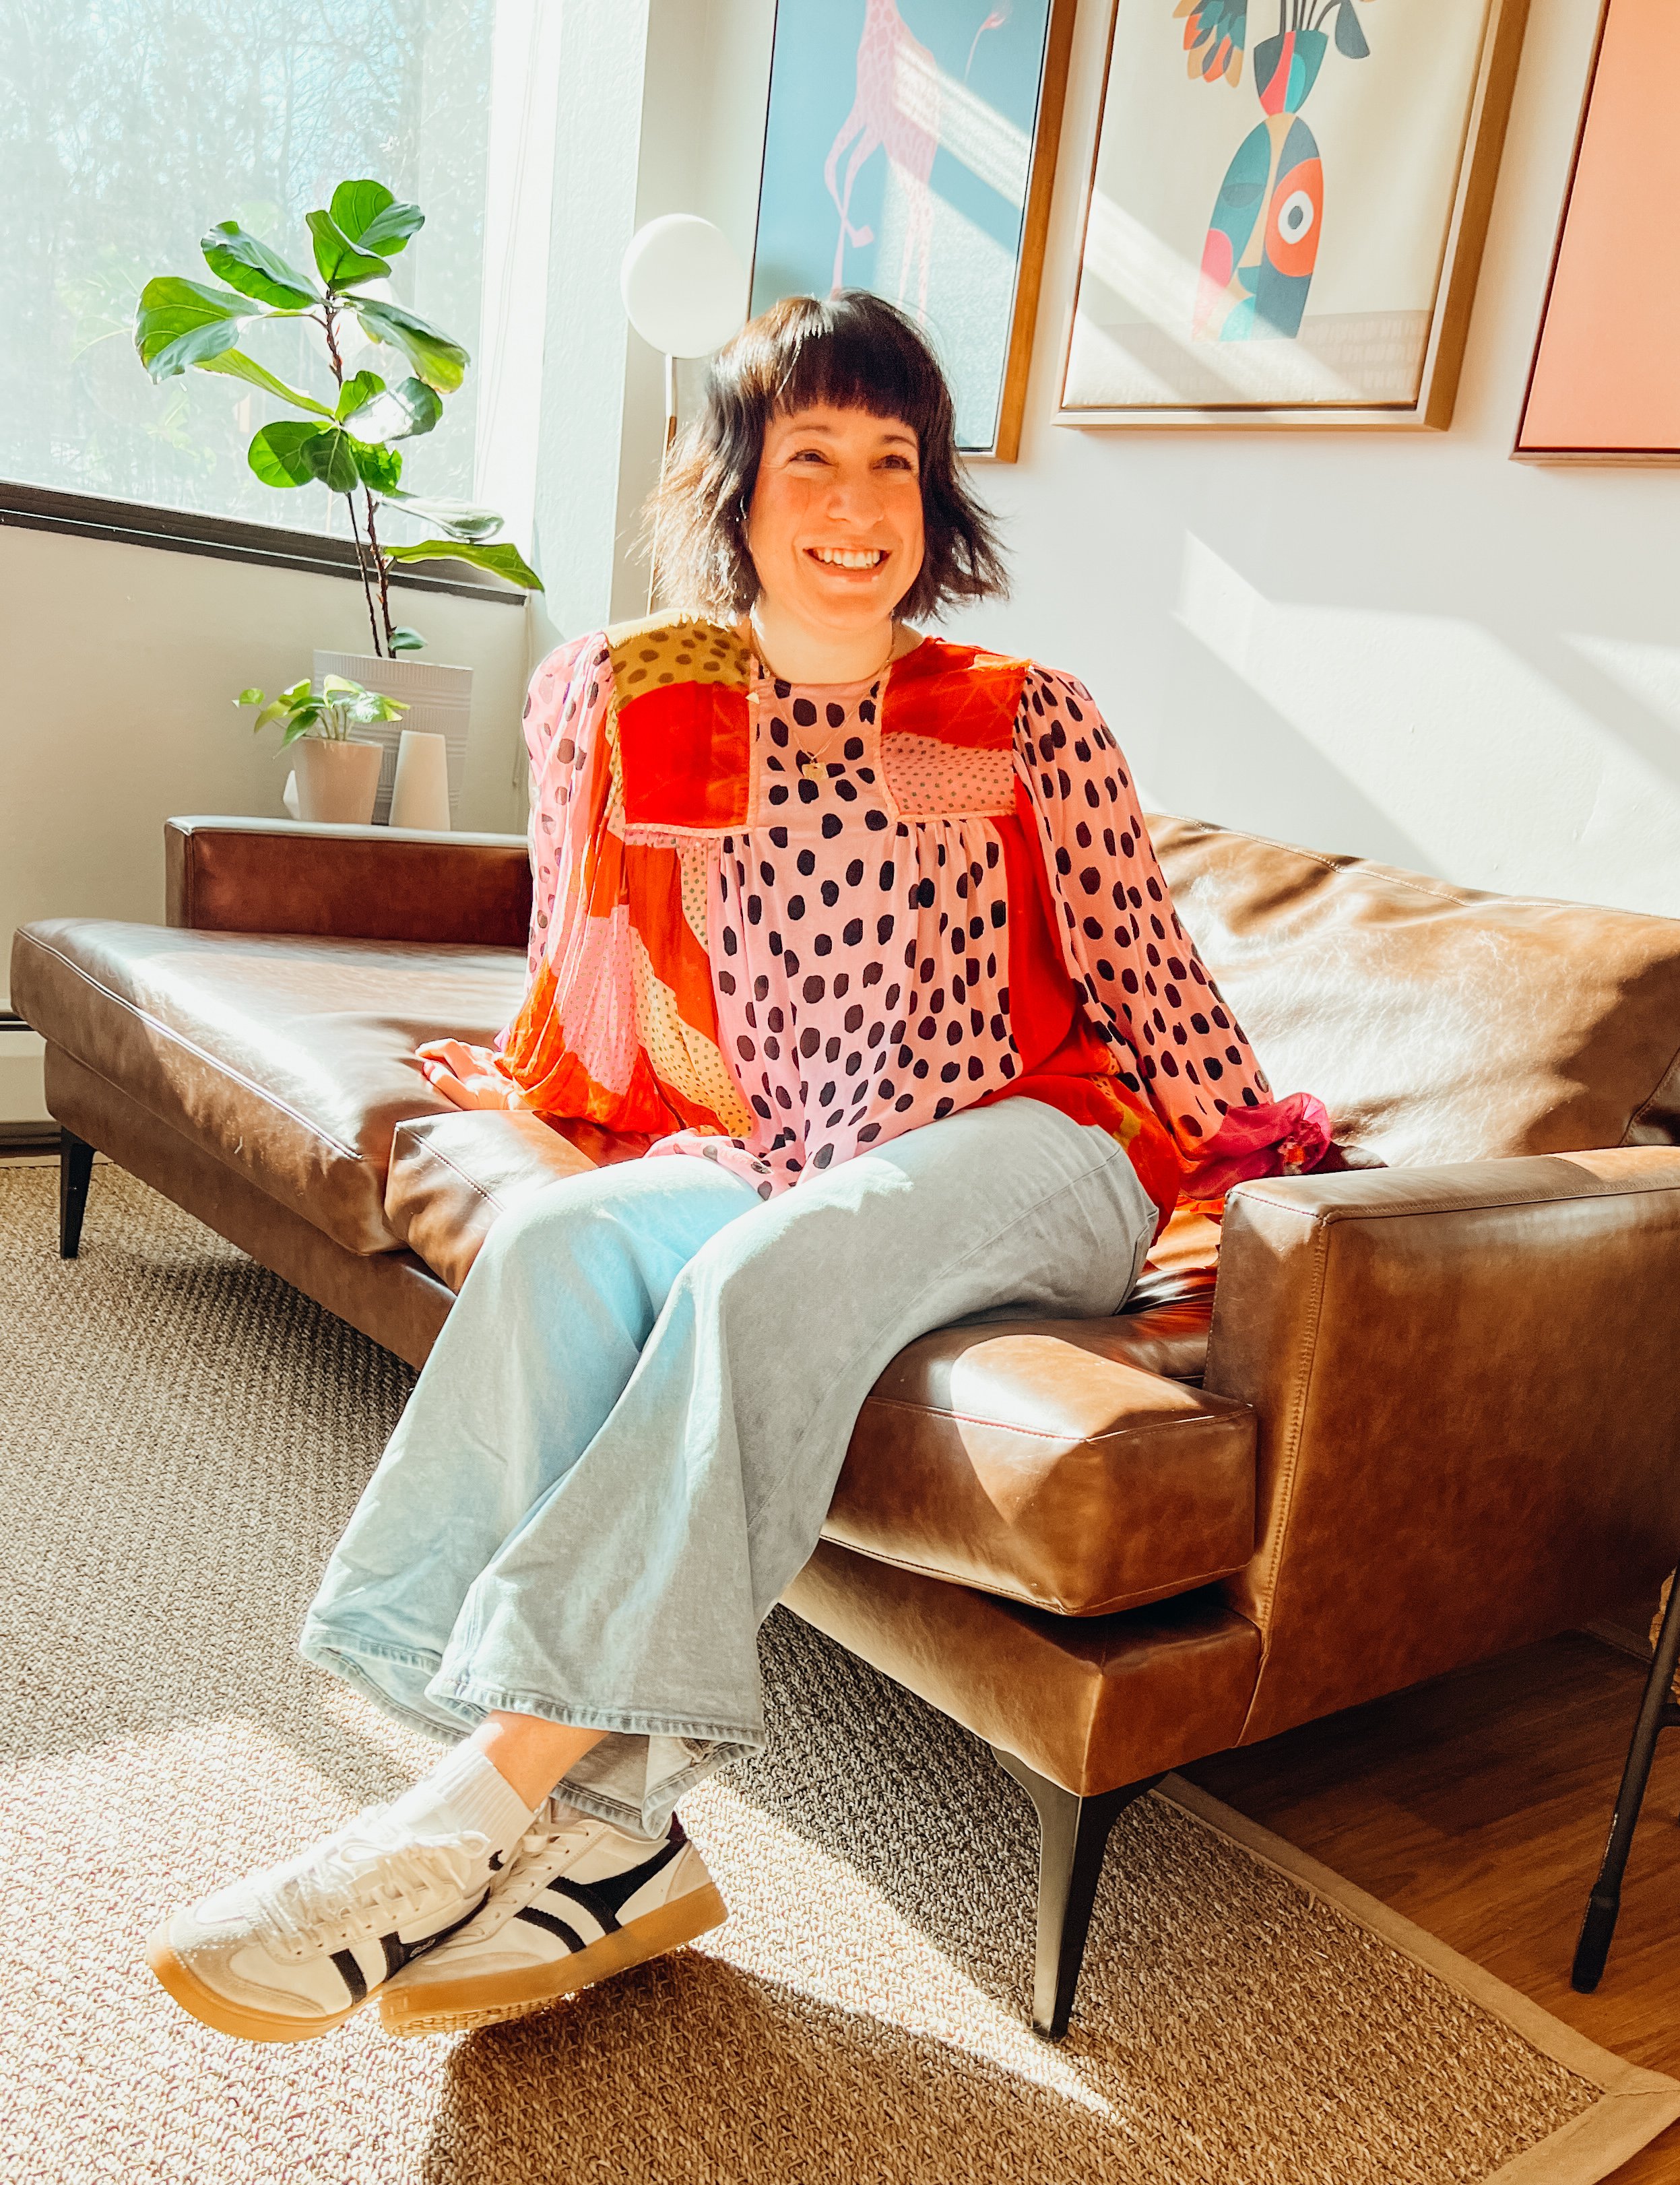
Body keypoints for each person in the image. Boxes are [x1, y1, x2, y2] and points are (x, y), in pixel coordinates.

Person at [148, 294, 1337, 2046]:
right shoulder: (666, 700)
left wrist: (1247, 1197)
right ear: (736, 485)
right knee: (566, 1247)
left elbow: (1152, 983)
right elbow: (614, 987)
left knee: (765, 1272)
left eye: (896, 461)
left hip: (1041, 1138)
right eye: (811, 458)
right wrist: (599, 1115)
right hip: (801, 1152)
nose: (858, 502)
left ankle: (463, 1812)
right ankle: (614, 1840)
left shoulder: (1007, 712)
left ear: (933, 495)